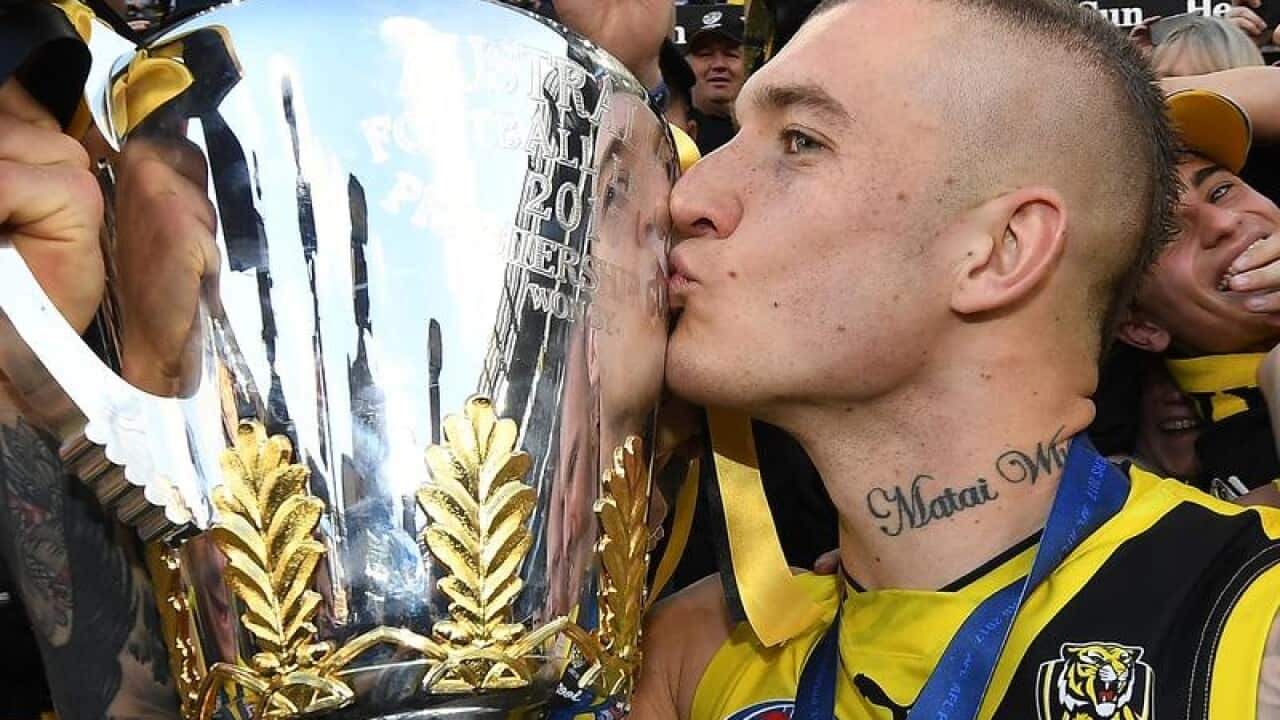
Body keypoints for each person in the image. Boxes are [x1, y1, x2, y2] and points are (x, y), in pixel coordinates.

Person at [628, 0, 1280, 718]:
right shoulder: (695, 653)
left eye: (801, 141)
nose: (691, 197)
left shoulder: (1249, 631)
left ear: (1002, 251)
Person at [1118, 82, 1280, 501]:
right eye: (1166, 232)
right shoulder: (1244, 463)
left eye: (1222, 191)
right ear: (1139, 327)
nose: (1223, 224)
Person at [680, 3, 746, 154]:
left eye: (731, 54)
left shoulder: (767, 130)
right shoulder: (672, 133)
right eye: (705, 54)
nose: (719, 65)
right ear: (686, 64)